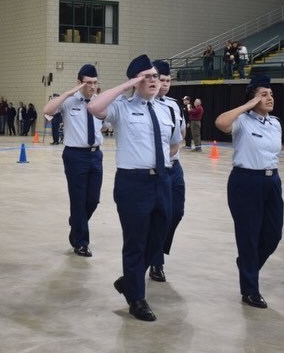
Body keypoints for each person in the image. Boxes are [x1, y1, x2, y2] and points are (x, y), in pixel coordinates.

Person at [88, 54, 182, 322]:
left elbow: (175, 142)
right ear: (136, 81)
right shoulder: (122, 108)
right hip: (133, 183)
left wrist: (163, 163)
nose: (154, 81)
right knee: (136, 241)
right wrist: (126, 84)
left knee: (159, 236)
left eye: (155, 76)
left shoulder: (166, 109)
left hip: (162, 179)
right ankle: (137, 299)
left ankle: (129, 279)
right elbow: (94, 107)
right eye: (147, 77)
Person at [214, 74, 282, 309]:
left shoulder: (276, 123)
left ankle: (246, 264)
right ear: (252, 99)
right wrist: (247, 106)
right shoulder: (242, 121)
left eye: (271, 94)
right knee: (249, 237)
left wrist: (259, 100)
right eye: (264, 94)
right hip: (245, 181)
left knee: (273, 235)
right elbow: (221, 123)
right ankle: (250, 290)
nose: (270, 98)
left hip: (272, 181)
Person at [43, 64, 103, 258]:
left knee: (93, 200)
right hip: (75, 156)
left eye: (95, 82)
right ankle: (81, 242)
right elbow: (48, 110)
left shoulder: (100, 102)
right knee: (78, 200)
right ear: (80, 83)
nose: (92, 86)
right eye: (88, 83)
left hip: (96, 155)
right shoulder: (69, 102)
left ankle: (76, 221)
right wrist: (70, 92)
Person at [149, 59, 186, 282]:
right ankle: (156, 262)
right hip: (157, 169)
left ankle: (157, 248)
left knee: (177, 212)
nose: (165, 84)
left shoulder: (174, 105)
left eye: (168, 80)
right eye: (161, 80)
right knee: (159, 215)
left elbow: (180, 134)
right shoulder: (145, 105)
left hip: (175, 167)